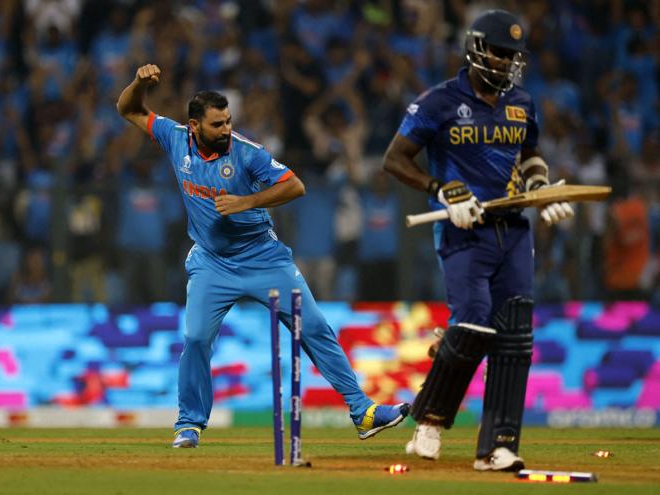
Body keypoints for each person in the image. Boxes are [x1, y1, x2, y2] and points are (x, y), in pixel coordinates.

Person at [117, 64, 409, 448]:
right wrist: (139, 83)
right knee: (195, 338)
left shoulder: (247, 153)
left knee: (316, 328)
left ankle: (363, 411)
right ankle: (188, 424)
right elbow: (129, 110)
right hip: (211, 262)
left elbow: (295, 186)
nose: (226, 131)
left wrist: (247, 201)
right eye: (218, 124)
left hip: (264, 258)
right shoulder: (174, 138)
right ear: (194, 126)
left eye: (228, 122)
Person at [382, 10, 574, 471]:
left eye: (514, 56)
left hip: (514, 228)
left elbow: (529, 155)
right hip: (463, 227)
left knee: (515, 338)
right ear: (476, 49)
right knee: (471, 326)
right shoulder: (439, 102)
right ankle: (428, 420)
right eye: (500, 53)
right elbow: (395, 159)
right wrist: (440, 189)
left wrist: (541, 189)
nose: (508, 63)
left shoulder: (523, 102)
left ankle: (497, 446)